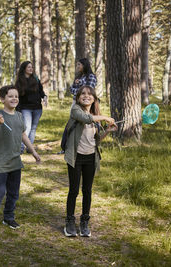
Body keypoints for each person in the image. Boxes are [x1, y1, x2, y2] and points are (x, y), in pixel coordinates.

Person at [0, 85, 41, 232]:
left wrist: (32, 151)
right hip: (1, 163)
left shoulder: (20, 116)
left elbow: (23, 135)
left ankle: (8, 217)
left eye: (16, 96)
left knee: (13, 193)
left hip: (15, 162)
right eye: (10, 96)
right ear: (3, 99)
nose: (14, 98)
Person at [63, 85, 117, 237]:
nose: (86, 96)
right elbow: (86, 119)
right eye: (83, 94)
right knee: (73, 190)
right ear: (78, 97)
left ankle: (85, 221)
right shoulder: (75, 110)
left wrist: (107, 130)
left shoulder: (95, 116)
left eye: (89, 94)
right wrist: (105, 117)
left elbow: (96, 141)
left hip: (90, 158)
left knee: (87, 191)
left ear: (94, 98)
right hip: (75, 157)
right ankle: (69, 222)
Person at [15, 61, 48, 154]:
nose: (31, 69)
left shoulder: (36, 79)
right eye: (29, 67)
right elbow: (17, 95)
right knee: (27, 127)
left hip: (37, 107)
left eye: (32, 67)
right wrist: (18, 108)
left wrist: (44, 97)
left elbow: (41, 91)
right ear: (24, 68)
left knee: (33, 128)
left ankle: (30, 148)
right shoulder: (20, 81)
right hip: (26, 108)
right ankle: (21, 148)